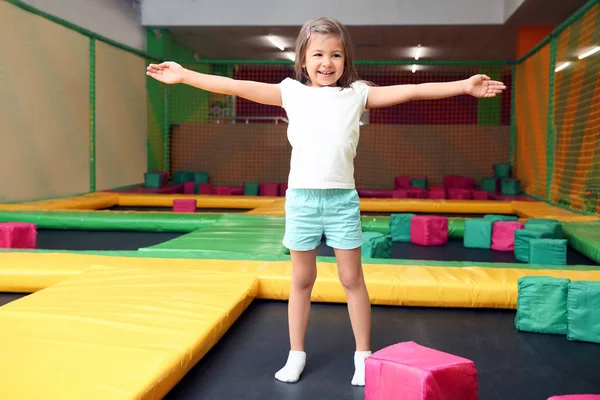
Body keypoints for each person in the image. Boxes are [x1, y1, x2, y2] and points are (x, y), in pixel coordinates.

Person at [147, 17, 506, 387]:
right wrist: (186, 75)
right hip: (302, 200)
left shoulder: (357, 95)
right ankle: (296, 354)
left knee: (352, 278)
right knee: (302, 280)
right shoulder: (291, 92)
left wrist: (464, 85)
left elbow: (411, 91)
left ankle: (362, 356)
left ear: (345, 59)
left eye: (336, 54)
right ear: (303, 59)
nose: (327, 62)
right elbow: (236, 86)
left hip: (341, 201)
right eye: (318, 54)